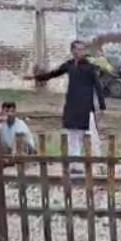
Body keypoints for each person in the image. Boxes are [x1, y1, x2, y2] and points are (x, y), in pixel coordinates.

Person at [24, 40, 106, 173]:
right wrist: (35, 78)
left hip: (86, 106)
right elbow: (52, 74)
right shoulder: (69, 66)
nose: (80, 52)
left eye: (82, 49)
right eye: (78, 49)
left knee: (91, 136)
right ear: (72, 51)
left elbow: (98, 86)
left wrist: (102, 107)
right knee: (73, 136)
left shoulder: (90, 68)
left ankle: (100, 165)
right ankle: (76, 165)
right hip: (72, 105)